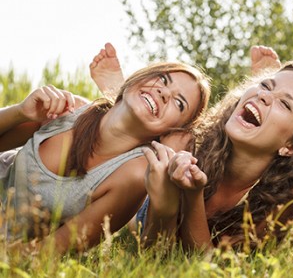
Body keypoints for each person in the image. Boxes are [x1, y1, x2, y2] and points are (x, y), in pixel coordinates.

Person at [137, 53, 293, 251]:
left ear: (290, 146)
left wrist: (193, 196)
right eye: (265, 85)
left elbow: (208, 265)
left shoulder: (287, 201)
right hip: (141, 201)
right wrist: (164, 202)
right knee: (166, 142)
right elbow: (151, 246)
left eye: (285, 103)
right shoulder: (188, 144)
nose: (264, 95)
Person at [0, 55, 211, 254]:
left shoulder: (133, 175)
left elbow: (48, 253)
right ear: (139, 77)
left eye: (179, 103)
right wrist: (20, 112)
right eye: (163, 79)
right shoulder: (71, 109)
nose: (165, 93)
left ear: (174, 130)